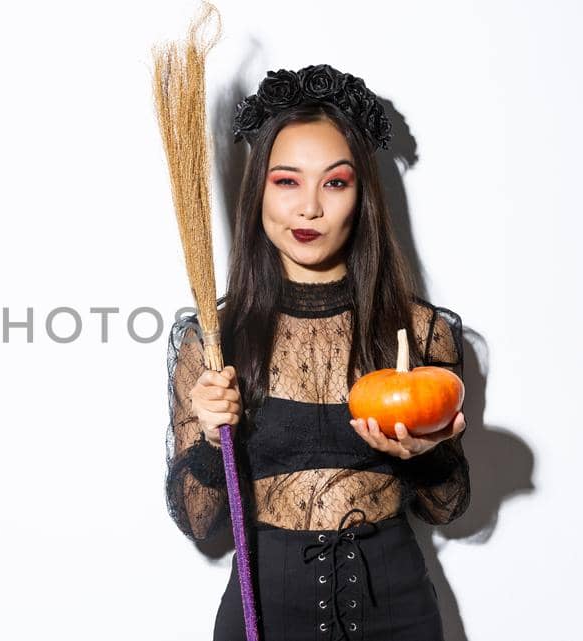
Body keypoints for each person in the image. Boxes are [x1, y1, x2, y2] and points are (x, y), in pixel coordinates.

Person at [162, 64, 470, 641]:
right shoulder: (213, 338)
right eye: (287, 181)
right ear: (259, 193)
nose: (309, 208)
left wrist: (426, 453)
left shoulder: (418, 333)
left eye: (334, 182)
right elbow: (199, 520)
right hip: (264, 613)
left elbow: (446, 509)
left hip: (397, 614)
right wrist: (209, 437)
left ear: (362, 196)